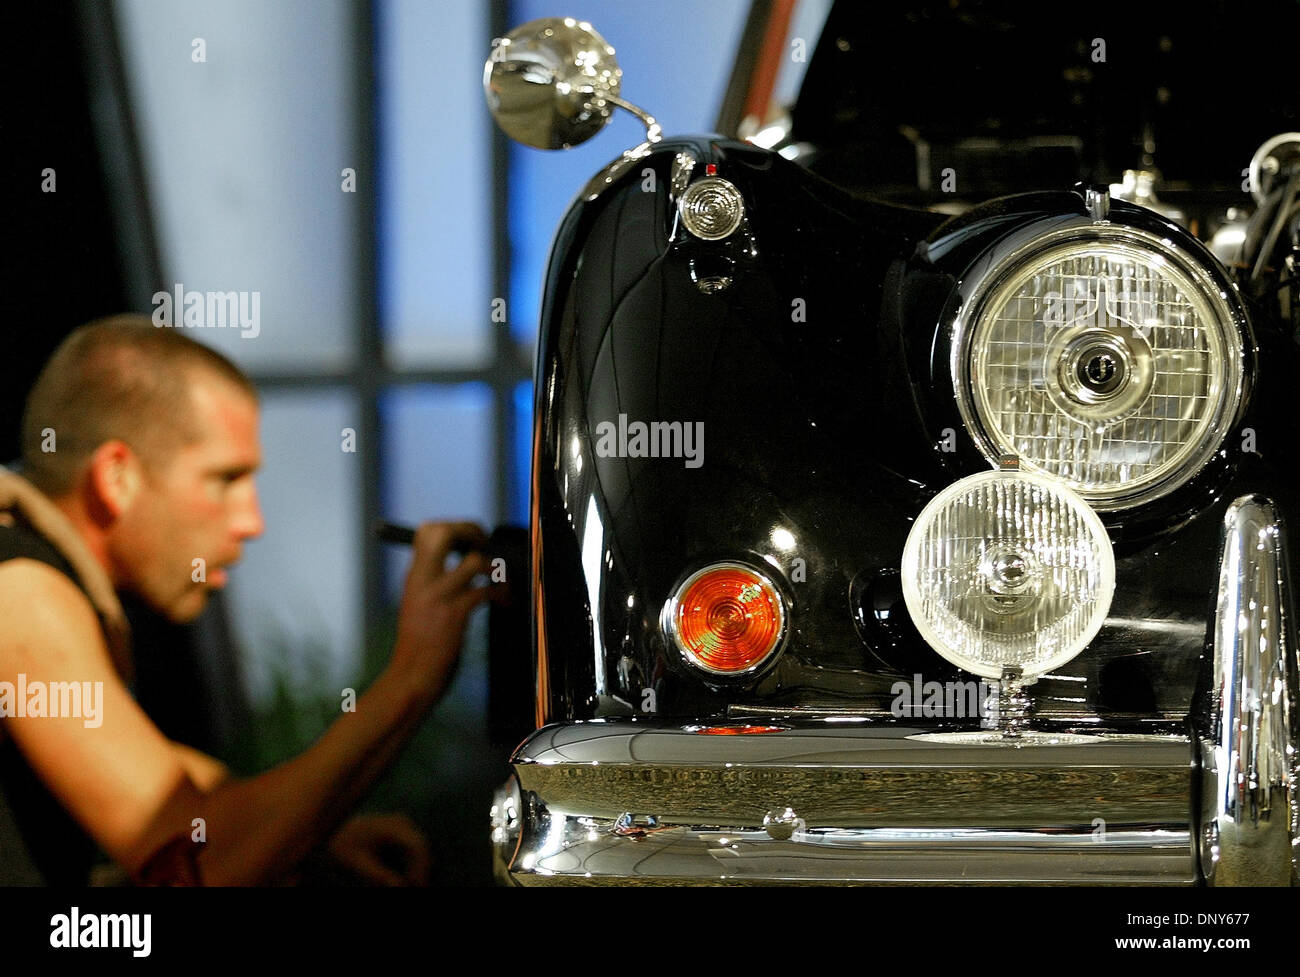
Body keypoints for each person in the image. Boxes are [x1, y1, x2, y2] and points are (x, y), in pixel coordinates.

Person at [0, 315, 493, 885]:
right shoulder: (24, 594)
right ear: (117, 477)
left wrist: (321, 829)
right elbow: (197, 861)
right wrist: (410, 679)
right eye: (225, 478)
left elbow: (180, 784)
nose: (251, 522)